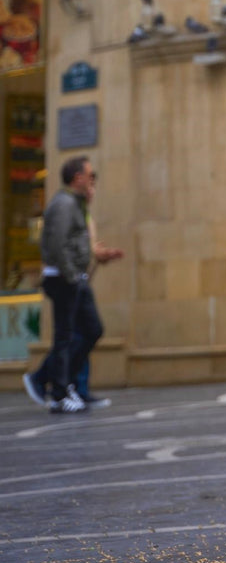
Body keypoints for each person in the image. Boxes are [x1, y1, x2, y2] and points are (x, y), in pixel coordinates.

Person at [24, 154, 122, 413]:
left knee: (90, 330)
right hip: (64, 279)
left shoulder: (74, 203)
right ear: (77, 177)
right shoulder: (64, 205)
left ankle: (58, 383)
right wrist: (71, 275)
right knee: (65, 336)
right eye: (89, 175)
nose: (92, 180)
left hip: (73, 277)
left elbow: (78, 243)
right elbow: (56, 245)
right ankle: (58, 392)